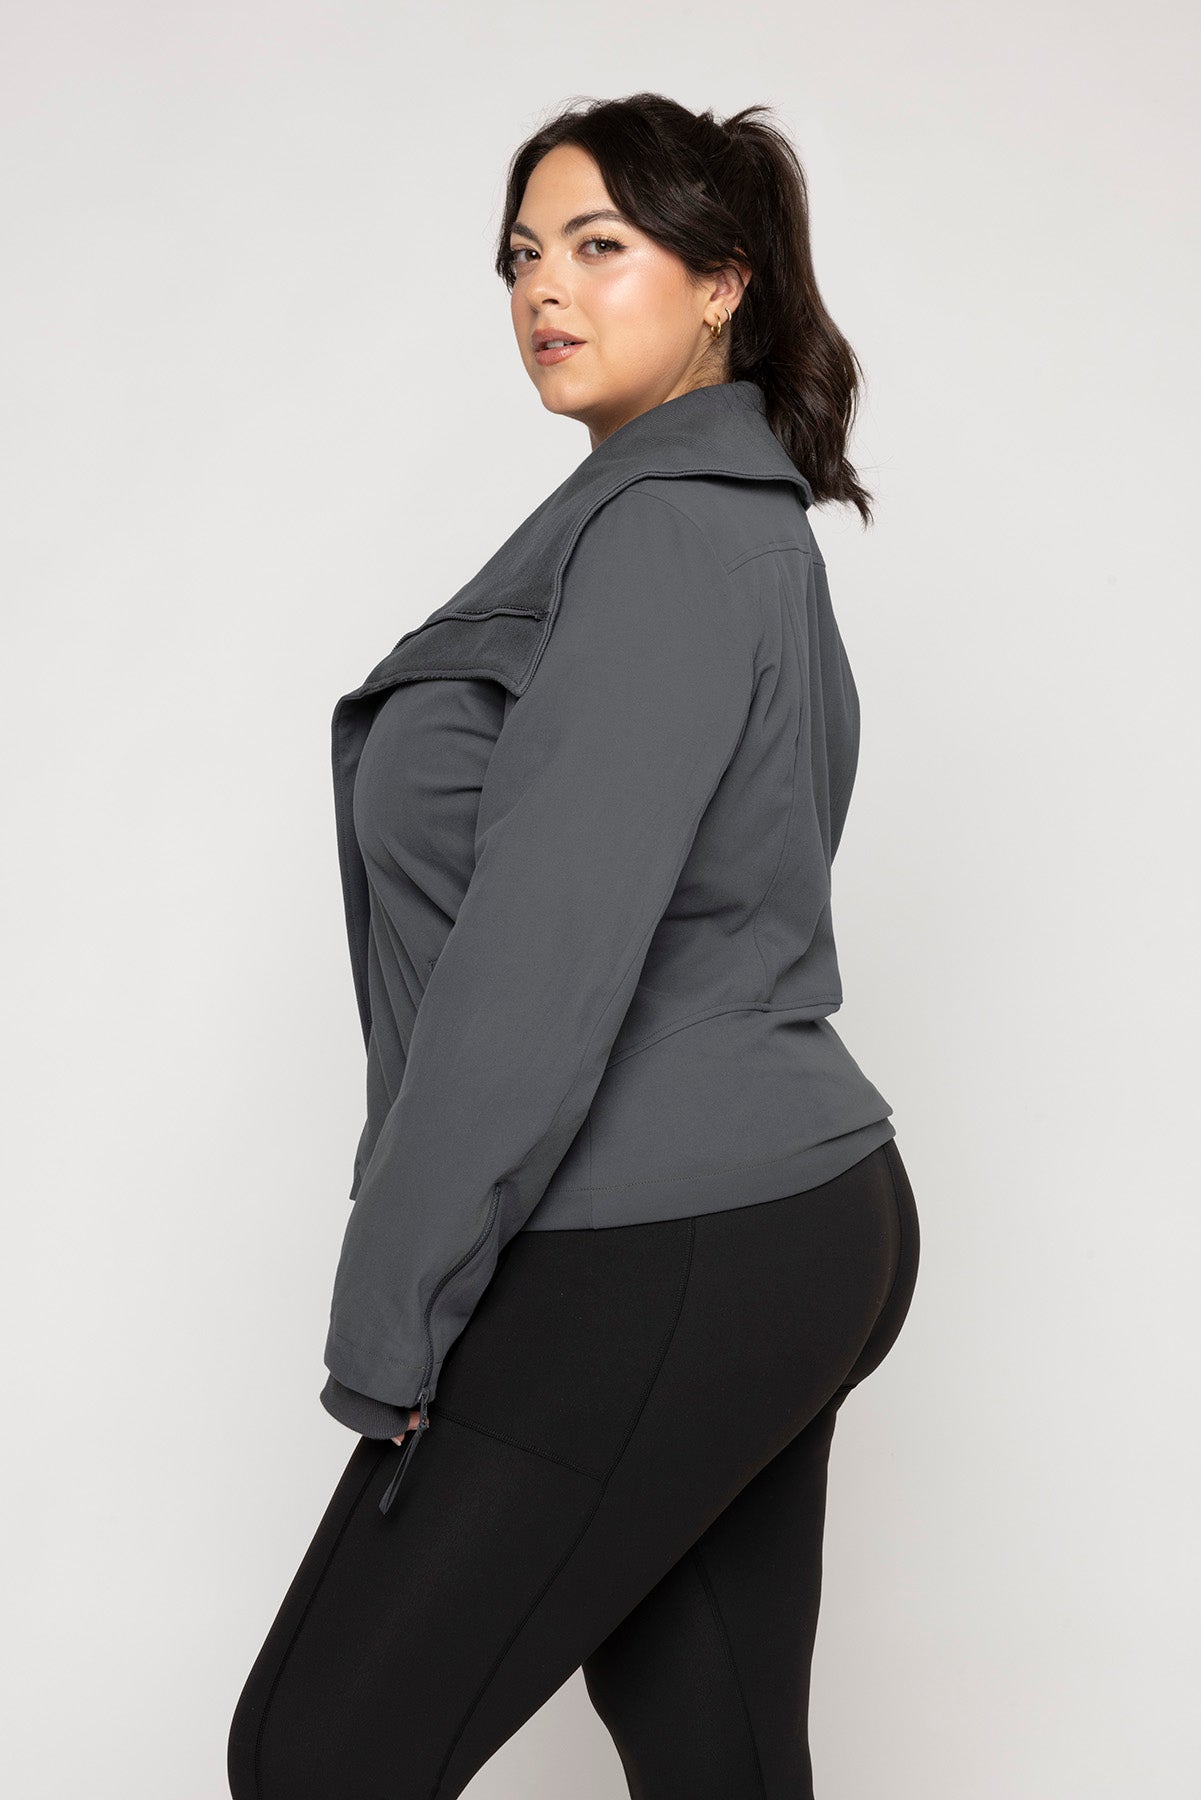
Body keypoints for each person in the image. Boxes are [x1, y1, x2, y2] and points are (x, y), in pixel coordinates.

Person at [228, 91, 921, 1800]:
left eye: (600, 245)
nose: (544, 286)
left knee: (316, 1760)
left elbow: (540, 968)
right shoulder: (725, 522)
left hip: (662, 1233)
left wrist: (397, 1316)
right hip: (782, 1217)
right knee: (715, 1757)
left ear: (721, 281)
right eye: (522, 256)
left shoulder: (663, 533)